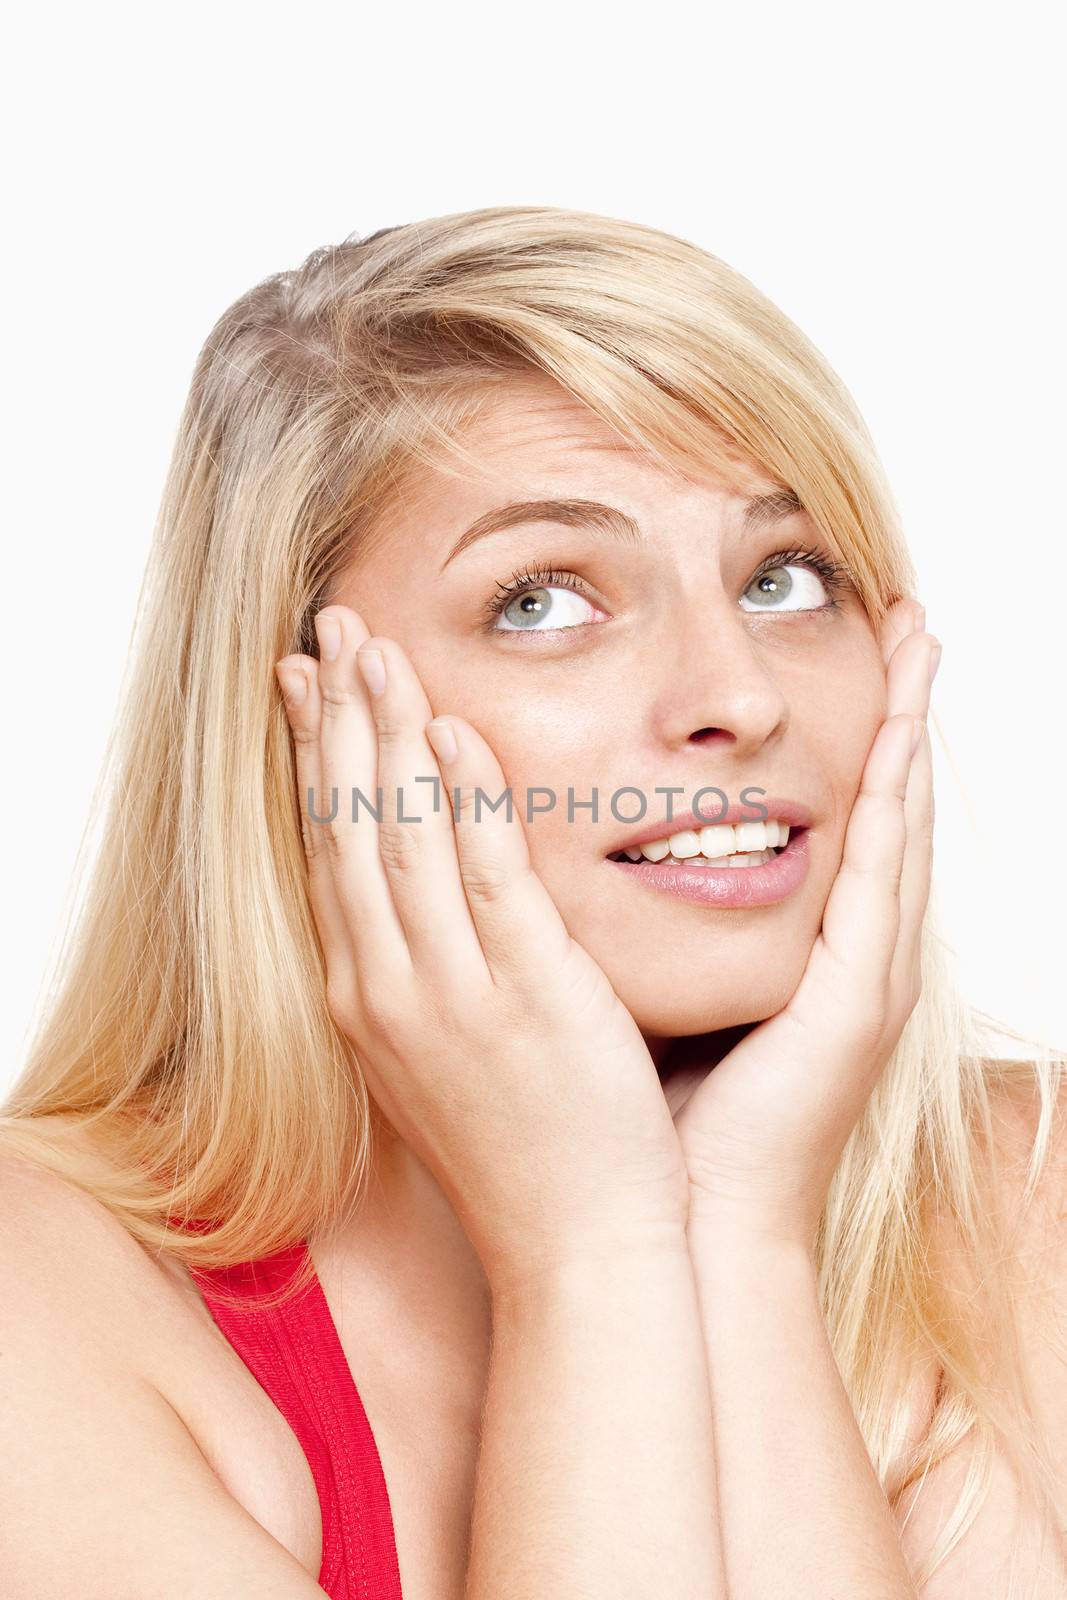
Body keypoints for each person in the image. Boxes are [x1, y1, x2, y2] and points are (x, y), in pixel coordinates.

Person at [1, 205, 1064, 1599]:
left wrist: (743, 1231)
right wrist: (591, 1257)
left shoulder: (1029, 1198)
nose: (737, 697)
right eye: (544, 600)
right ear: (302, 728)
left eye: (785, 577)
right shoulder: (47, 1299)